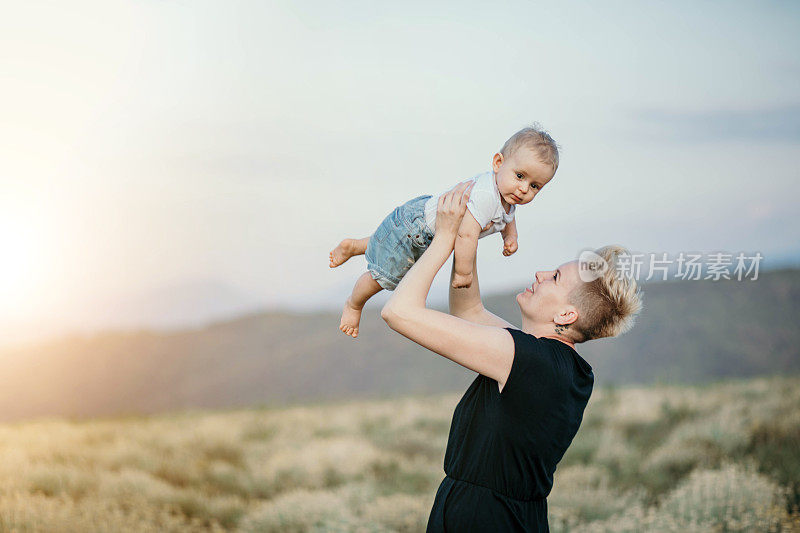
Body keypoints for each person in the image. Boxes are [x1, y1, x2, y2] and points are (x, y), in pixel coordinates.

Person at [380, 182, 643, 532]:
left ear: (566, 315)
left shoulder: (530, 360)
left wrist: (443, 238)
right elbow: (468, 310)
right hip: (509, 517)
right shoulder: (559, 366)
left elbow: (398, 312)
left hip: (483, 519)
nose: (540, 273)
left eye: (554, 277)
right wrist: (466, 235)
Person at [329, 125, 559, 338]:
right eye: (520, 176)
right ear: (498, 162)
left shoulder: (506, 197)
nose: (523, 189)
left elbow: (509, 216)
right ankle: (354, 303)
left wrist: (511, 236)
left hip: (419, 224)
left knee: (388, 243)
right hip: (418, 230)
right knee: (383, 275)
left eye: (534, 186)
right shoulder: (487, 196)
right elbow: (466, 235)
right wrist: (463, 272)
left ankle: (355, 246)